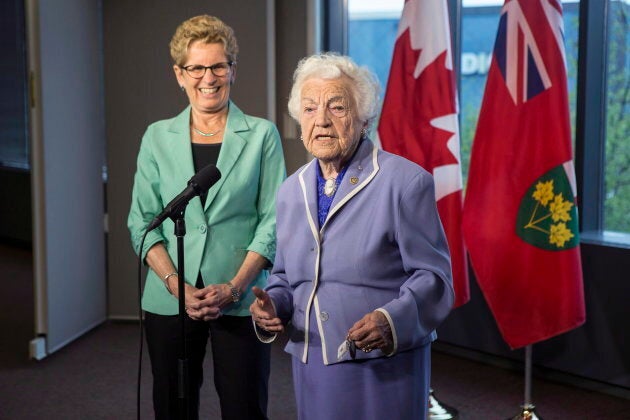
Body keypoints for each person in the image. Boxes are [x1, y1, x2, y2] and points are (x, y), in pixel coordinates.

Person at [249, 52, 454, 419]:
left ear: (364, 119)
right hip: (312, 361)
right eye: (310, 109)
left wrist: (391, 320)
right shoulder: (290, 191)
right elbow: (284, 276)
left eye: (337, 107)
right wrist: (273, 307)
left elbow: (435, 279)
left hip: (383, 366)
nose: (322, 121)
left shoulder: (405, 183)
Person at [127, 15, 285, 420]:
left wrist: (234, 288)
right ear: (179, 74)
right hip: (169, 295)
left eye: (218, 66)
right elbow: (142, 221)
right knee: (173, 405)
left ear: (233, 69)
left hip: (240, 296)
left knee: (244, 406)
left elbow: (274, 220)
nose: (208, 77)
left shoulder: (262, 135)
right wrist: (177, 285)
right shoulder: (156, 136)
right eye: (196, 67)